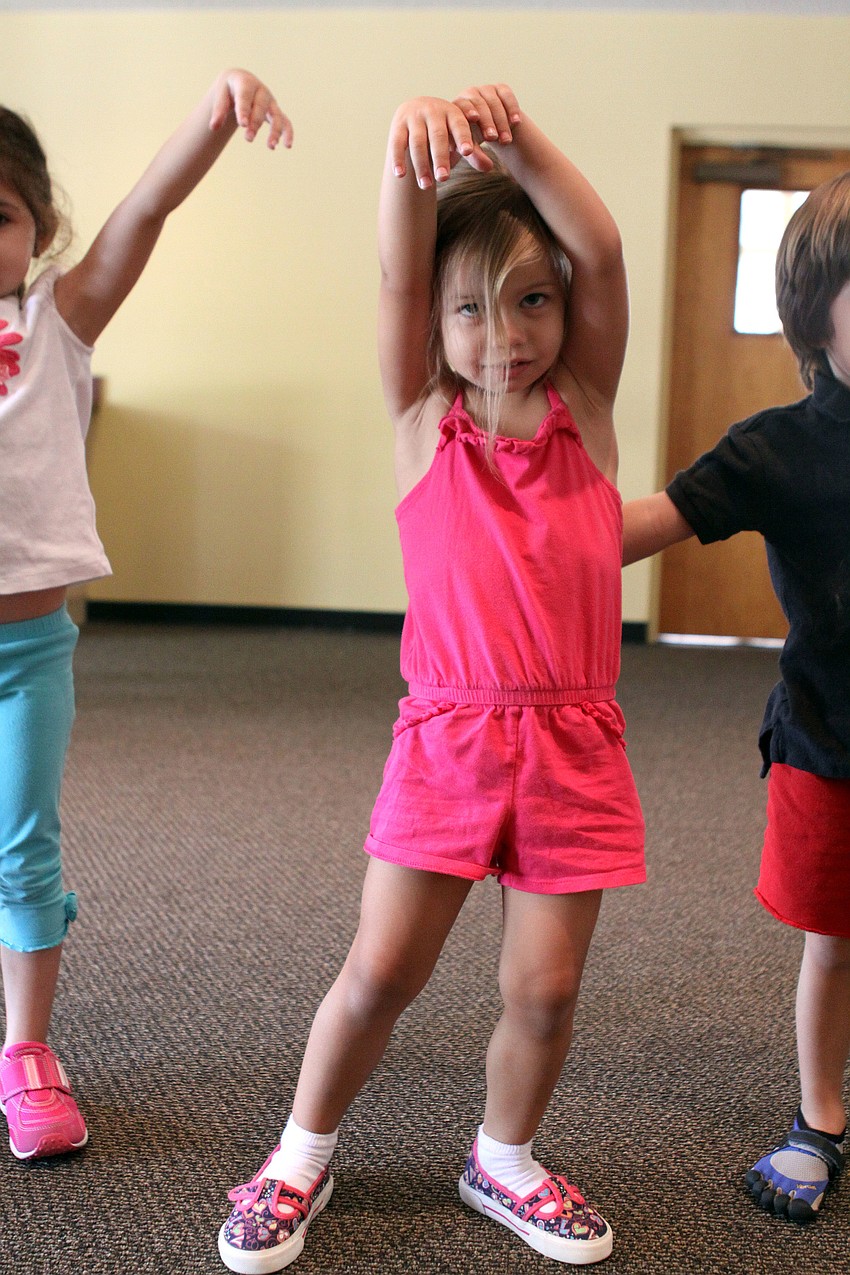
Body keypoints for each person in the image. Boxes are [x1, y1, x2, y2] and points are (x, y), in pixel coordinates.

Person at [218, 83, 644, 1273]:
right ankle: (301, 1149)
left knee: (545, 990)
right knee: (382, 971)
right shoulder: (421, 417)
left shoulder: (587, 413)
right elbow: (400, 275)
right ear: (437, 326)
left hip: (573, 749)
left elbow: (600, 248)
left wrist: (519, 143)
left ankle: (501, 1157)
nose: (502, 330)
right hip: (448, 744)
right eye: (472, 308)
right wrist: (416, 147)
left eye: (530, 300)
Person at [0, 70, 291, 1162]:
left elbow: (143, 215)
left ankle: (26, 1053)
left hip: (28, 653)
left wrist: (212, 117)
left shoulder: (55, 324)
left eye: (0, 216)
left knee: (23, 850)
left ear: (37, 231)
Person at [622, 172, 850, 1223]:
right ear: (815, 313)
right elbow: (640, 527)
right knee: (833, 942)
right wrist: (508, 524)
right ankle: (819, 1120)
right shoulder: (779, 446)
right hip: (828, 744)